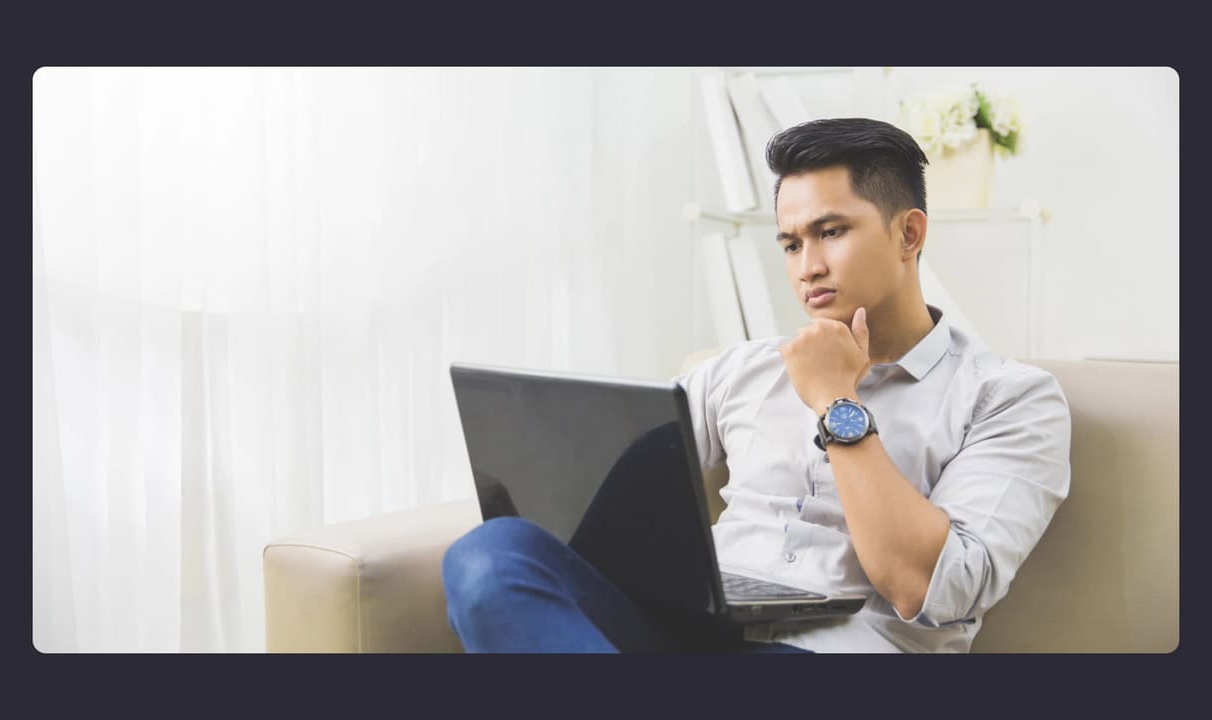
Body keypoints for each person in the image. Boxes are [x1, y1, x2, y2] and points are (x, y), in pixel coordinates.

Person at [441, 117, 1072, 653]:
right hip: (691, 631)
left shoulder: (1008, 398)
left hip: (833, 658)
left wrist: (836, 401)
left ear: (908, 234)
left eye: (831, 232)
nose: (808, 268)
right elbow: (617, 514)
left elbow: (923, 585)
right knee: (491, 556)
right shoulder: (740, 370)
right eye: (791, 243)